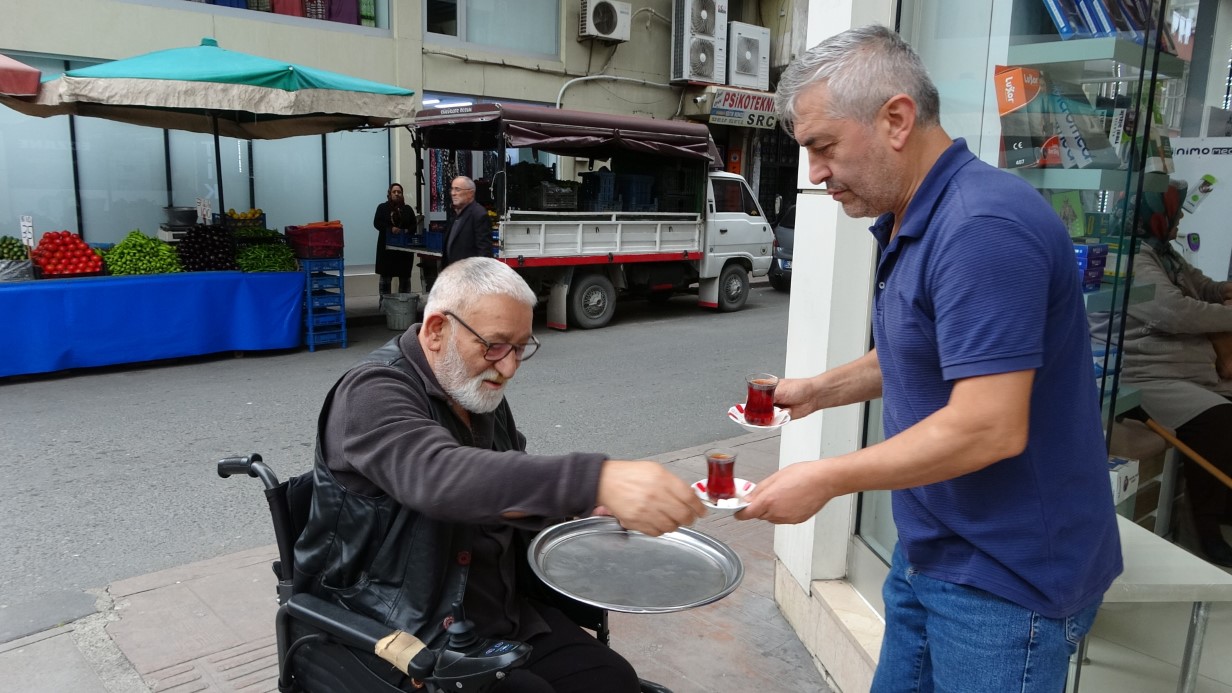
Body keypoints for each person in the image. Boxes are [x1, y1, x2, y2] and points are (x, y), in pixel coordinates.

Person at [734, 25, 1122, 692]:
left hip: (1004, 581)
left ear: (896, 119)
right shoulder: (918, 215)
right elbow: (925, 353)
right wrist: (818, 390)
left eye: (823, 147)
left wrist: (825, 477)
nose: (815, 173)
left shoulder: (981, 229)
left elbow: (987, 425)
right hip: (934, 551)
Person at [293, 256, 704, 692]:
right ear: (436, 330)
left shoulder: (474, 389)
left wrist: (585, 512)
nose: (508, 367)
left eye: (521, 348)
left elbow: (504, 484)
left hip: (499, 615)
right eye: (494, 345)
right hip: (403, 634)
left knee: (614, 680)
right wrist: (595, 479)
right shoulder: (371, 391)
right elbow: (438, 476)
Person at [1092, 178, 1232, 566]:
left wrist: (1223, 292)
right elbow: (1175, 312)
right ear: (1155, 215)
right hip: (1144, 372)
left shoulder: (1161, 252)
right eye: (1173, 211)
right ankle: (1202, 531)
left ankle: (1224, 508)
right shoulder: (1128, 257)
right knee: (1218, 421)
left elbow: (1202, 287)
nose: (1179, 218)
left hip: (1180, 366)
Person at [372, 182, 417, 296]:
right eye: (394, 192)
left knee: (405, 280)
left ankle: (405, 303)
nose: (397, 194)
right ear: (389, 194)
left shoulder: (407, 209)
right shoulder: (382, 208)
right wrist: (390, 229)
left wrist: (406, 231)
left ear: (402, 194)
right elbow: (377, 223)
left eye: (399, 192)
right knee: (385, 280)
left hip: (404, 252)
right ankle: (384, 303)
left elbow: (414, 226)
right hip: (387, 251)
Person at [442, 176, 492, 268]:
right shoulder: (456, 215)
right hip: (453, 273)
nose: (453, 193)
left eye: (457, 189)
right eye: (452, 189)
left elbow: (484, 253)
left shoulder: (479, 214)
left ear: (470, 193)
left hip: (469, 274)